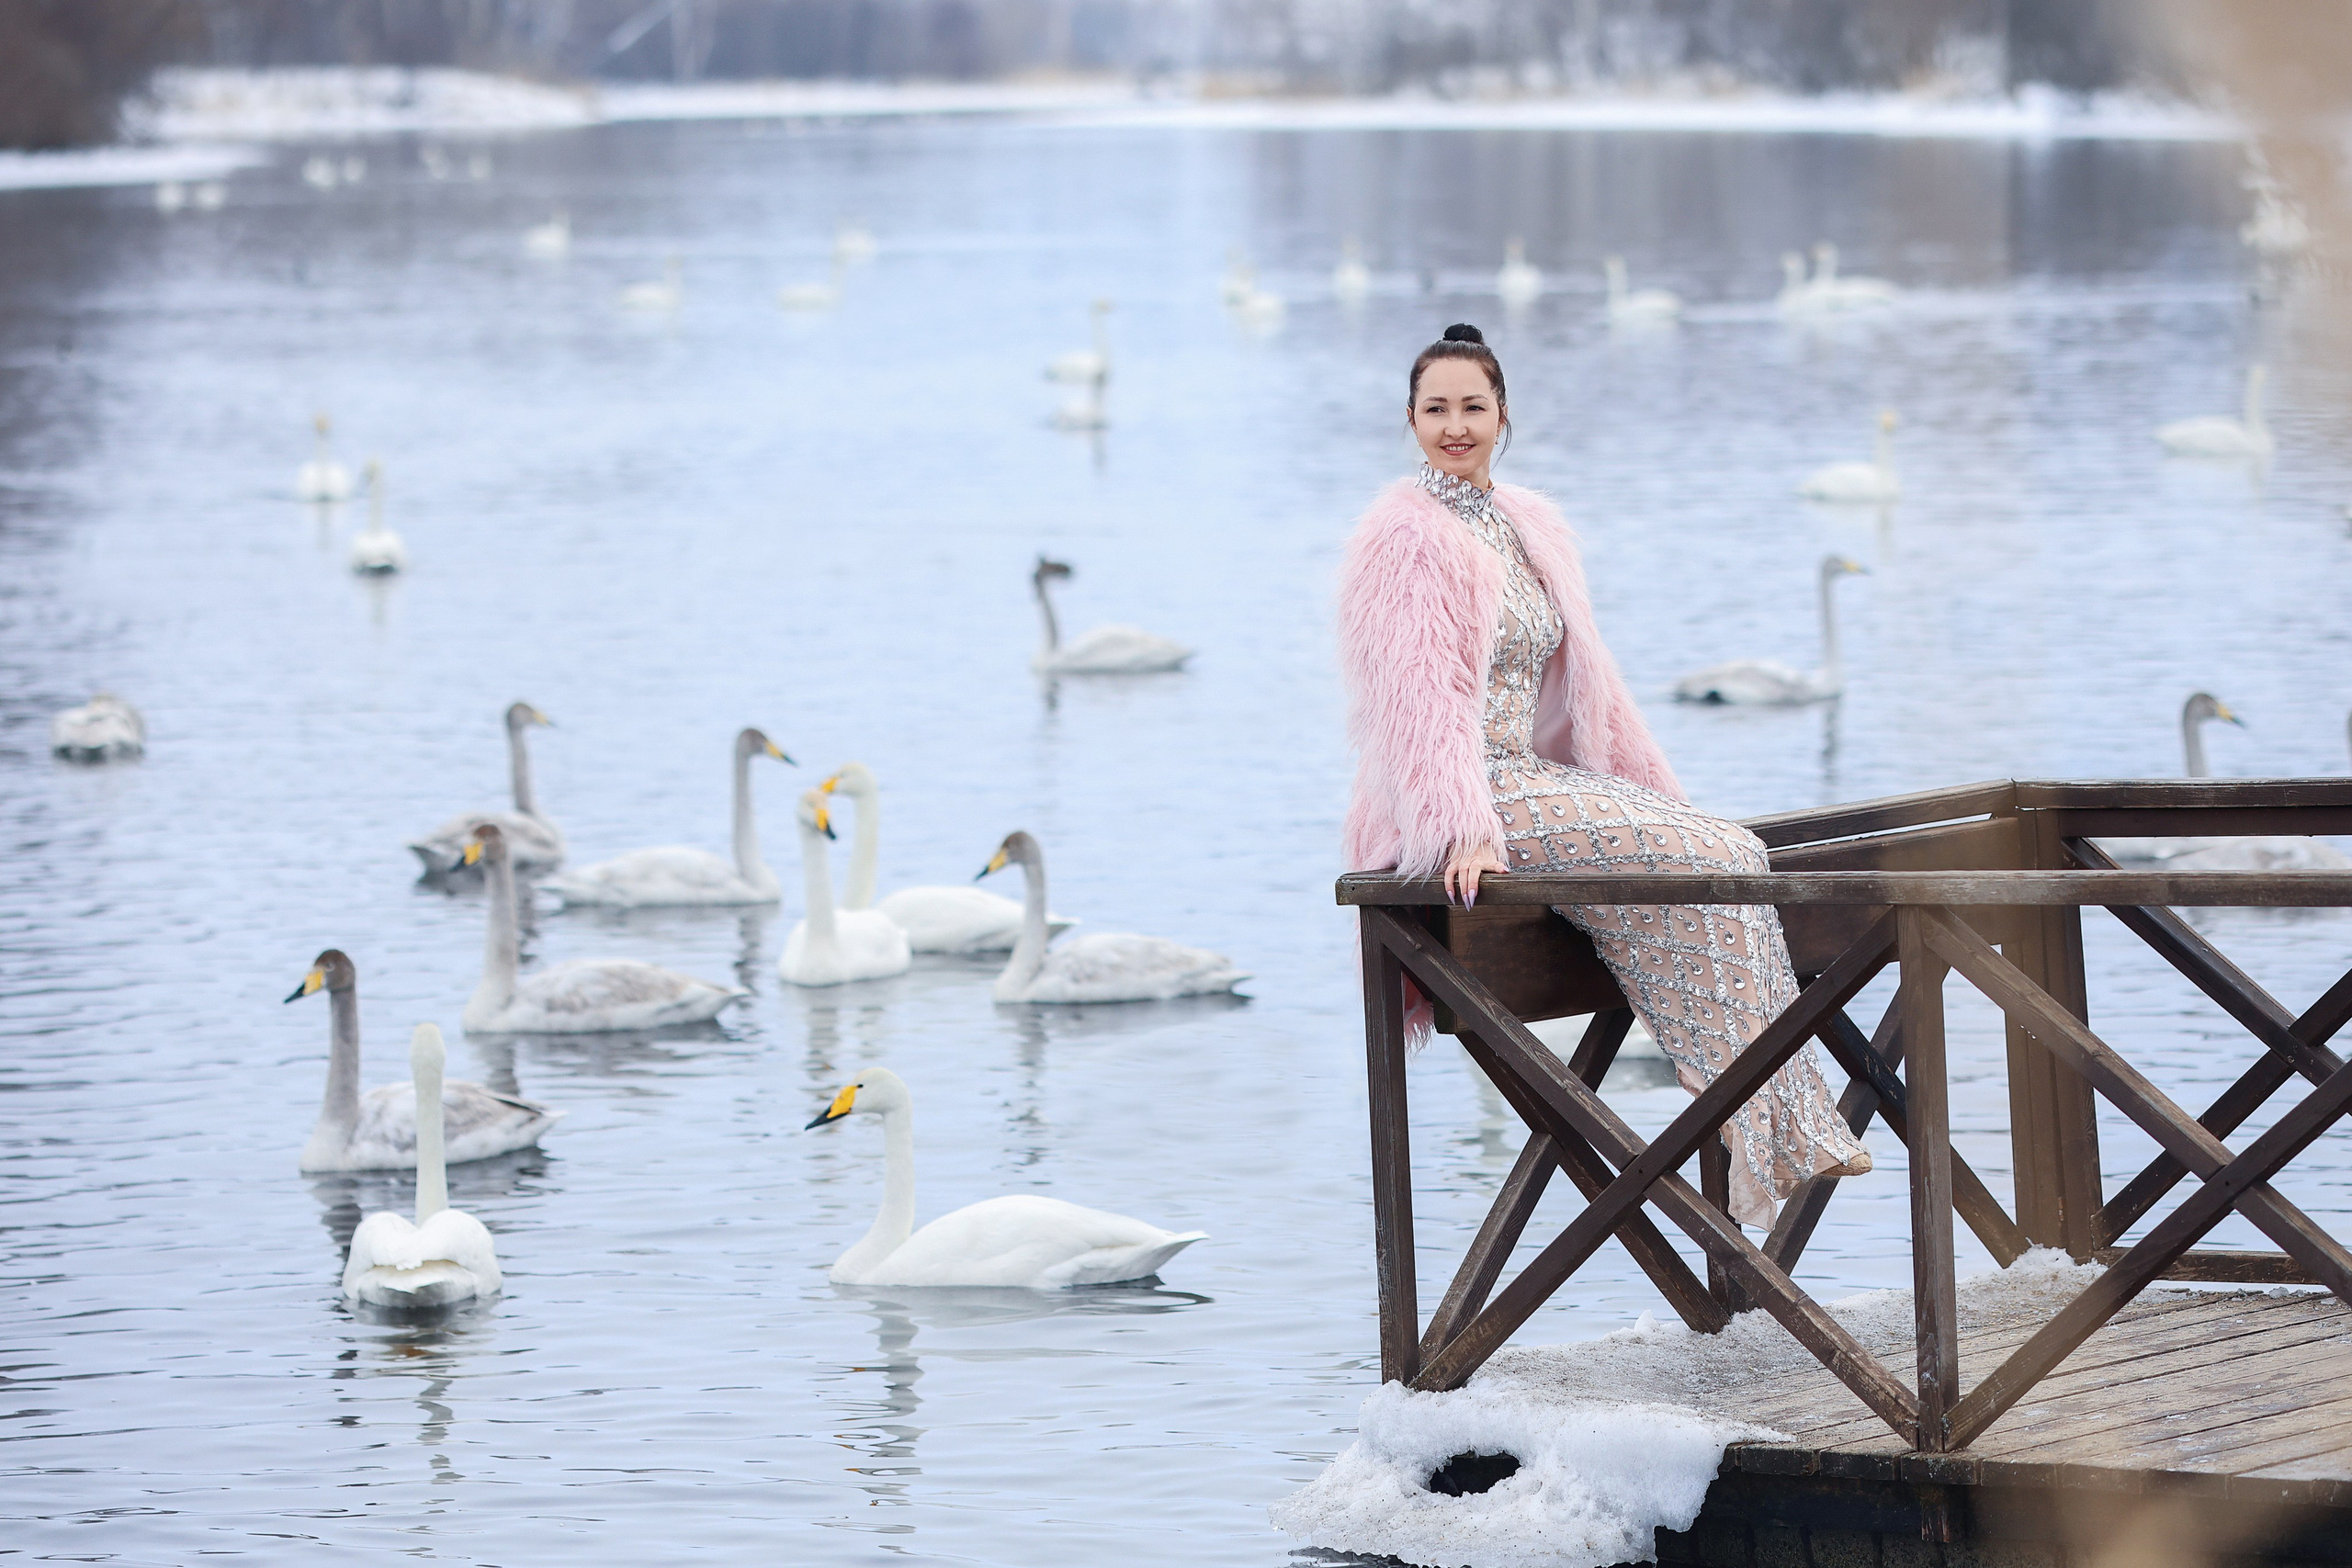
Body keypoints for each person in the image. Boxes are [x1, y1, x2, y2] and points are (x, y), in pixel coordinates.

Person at [1337, 322, 1869, 1225]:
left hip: (1530, 775)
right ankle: (1769, 1132)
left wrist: (1645, 788)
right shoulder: (1405, 539)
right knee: (1713, 862)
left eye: (1473, 407)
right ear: (1411, 420)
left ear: (1503, 416)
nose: (1455, 426)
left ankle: (1771, 1125)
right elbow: (1414, 699)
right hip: (1472, 793)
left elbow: (1592, 681)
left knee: (1732, 853)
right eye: (1436, 409)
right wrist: (1459, 825)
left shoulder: (1526, 525)